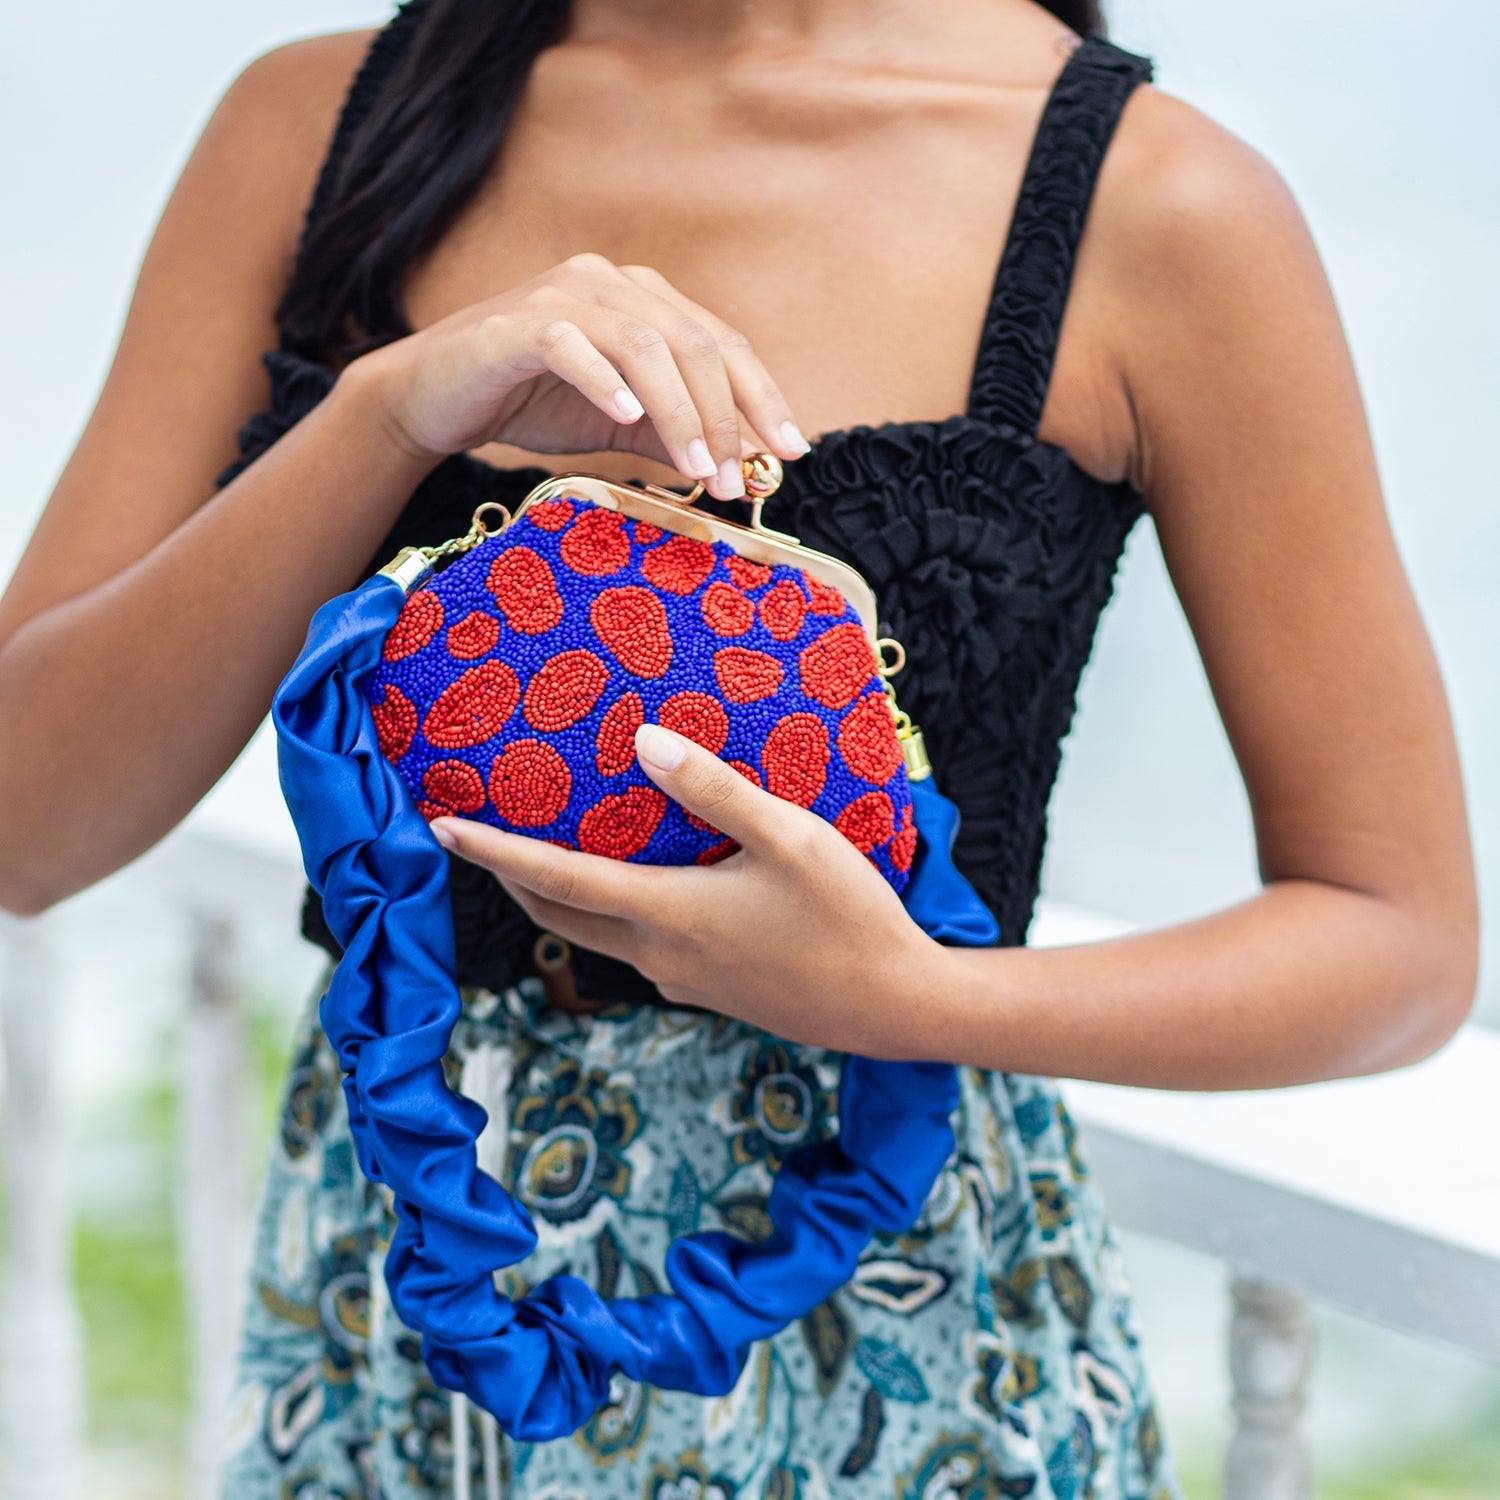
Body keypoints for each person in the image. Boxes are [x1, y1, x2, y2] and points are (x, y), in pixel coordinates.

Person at [0, 0, 1478, 1494]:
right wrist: (383, 415)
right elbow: (26, 828)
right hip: (400, 1316)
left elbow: (1396, 938)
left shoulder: (1156, 204)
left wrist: (912, 995)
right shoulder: (323, 126)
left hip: (908, 1347)